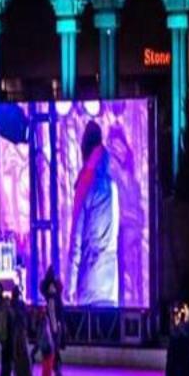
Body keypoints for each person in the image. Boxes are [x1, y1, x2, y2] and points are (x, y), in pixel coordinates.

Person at [68, 120, 121, 306]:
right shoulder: (112, 186)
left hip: (89, 280)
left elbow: (76, 238)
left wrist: (69, 288)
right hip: (111, 283)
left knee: (85, 333)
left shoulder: (85, 184)